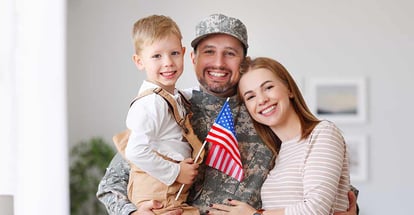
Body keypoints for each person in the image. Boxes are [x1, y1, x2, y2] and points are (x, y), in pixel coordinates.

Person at [96, 13, 358, 215]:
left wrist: (350, 208)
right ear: (194, 58)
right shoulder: (169, 108)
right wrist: (132, 212)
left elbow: (315, 175)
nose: (219, 63)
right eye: (209, 52)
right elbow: (111, 185)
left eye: (230, 54)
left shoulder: (265, 112)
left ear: (243, 61)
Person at [209, 57, 351, 215]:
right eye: (250, 97)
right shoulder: (277, 154)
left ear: (289, 89)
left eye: (268, 87)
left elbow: (315, 209)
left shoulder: (323, 133)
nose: (262, 100)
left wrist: (253, 214)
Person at [119, 14, 199, 215]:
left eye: (174, 53)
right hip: (158, 191)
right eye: (157, 56)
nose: (168, 62)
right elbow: (135, 151)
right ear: (139, 61)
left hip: (168, 189)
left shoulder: (170, 95)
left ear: (183, 53)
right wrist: (176, 172)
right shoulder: (151, 103)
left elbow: (184, 96)